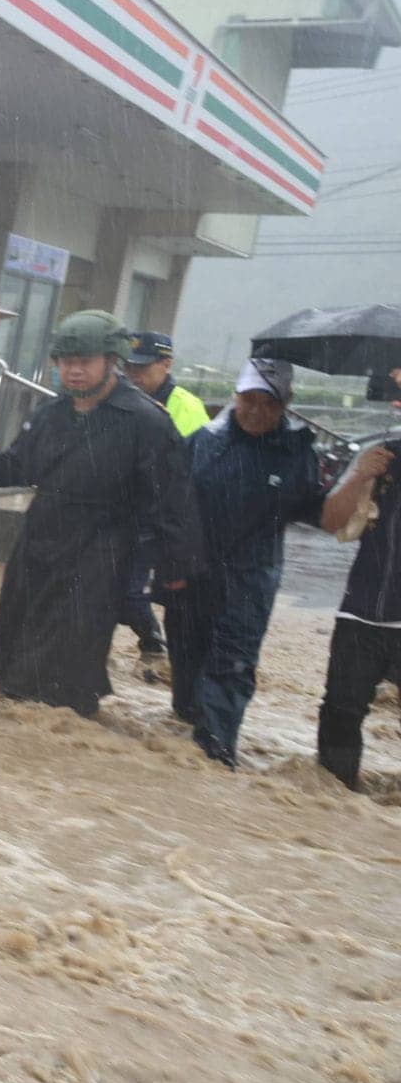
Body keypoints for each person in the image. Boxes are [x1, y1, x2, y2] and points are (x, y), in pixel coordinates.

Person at [0, 310, 202, 717]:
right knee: (15, 667)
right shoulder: (52, 414)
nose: (74, 371)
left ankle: (60, 745)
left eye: (85, 361)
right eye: (66, 362)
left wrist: (176, 569)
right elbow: (13, 467)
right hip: (38, 547)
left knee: (66, 677)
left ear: (111, 361)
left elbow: (173, 503)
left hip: (100, 555)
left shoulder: (147, 423)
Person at [167, 358, 324, 766]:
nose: (256, 411)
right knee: (186, 661)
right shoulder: (205, 440)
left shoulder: (296, 451)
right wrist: (171, 564)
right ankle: (186, 730)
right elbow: (172, 503)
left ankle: (214, 752)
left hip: (252, 576)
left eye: (268, 403)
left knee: (232, 664)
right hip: (194, 571)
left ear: (286, 404)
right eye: (248, 400)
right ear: (235, 398)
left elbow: (314, 510)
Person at [114, 330, 205, 675]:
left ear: (166, 364)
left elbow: (191, 473)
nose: (133, 375)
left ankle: (154, 646)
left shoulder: (186, 407)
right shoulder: (120, 399)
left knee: (127, 589)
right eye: (129, 367)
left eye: (142, 368)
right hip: (119, 513)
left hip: (157, 521)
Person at [316, 433, 399, 789]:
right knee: (339, 716)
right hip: (363, 613)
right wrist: (359, 475)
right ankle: (333, 816)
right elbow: (331, 523)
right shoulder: (384, 456)